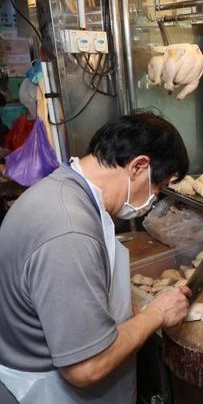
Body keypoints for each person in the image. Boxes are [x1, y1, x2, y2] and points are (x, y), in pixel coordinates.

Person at [0, 112, 192, 403]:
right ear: (139, 166)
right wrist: (157, 313)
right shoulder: (68, 231)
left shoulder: (64, 189)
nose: (153, 198)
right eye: (158, 188)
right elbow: (86, 367)